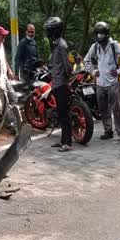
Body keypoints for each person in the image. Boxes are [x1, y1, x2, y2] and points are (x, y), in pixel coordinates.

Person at [84, 21, 120, 142]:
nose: (100, 36)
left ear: (106, 34)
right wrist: (93, 72)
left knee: (117, 109)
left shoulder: (114, 45)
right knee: (103, 108)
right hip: (100, 83)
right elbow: (86, 60)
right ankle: (108, 131)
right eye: (98, 34)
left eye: (101, 34)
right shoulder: (95, 46)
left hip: (112, 83)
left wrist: (119, 71)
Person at [45, 17, 73, 152]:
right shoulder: (56, 44)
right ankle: (62, 140)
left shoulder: (61, 45)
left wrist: (64, 80)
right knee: (61, 113)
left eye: (49, 30)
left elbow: (68, 66)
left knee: (64, 113)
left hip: (61, 84)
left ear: (55, 31)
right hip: (56, 83)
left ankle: (67, 142)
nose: (48, 32)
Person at [0, 25, 18, 134]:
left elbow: (4, 58)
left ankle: (8, 117)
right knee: (5, 103)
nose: (4, 38)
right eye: (2, 36)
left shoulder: (1, 44)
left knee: (14, 98)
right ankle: (11, 124)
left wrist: (9, 70)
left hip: (4, 77)